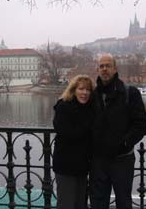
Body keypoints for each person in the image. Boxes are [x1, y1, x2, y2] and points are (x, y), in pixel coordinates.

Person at [90, 54, 146, 209]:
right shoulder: (93, 95)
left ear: (115, 69)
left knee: (123, 203)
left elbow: (142, 124)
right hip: (98, 160)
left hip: (122, 159)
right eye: (101, 66)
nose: (104, 69)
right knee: (98, 203)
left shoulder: (130, 93)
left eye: (108, 66)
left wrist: (124, 143)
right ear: (98, 69)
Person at [52, 74, 95, 209]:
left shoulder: (90, 108)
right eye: (81, 89)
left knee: (80, 204)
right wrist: (89, 127)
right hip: (66, 165)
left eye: (88, 90)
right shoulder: (63, 106)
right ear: (73, 90)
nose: (85, 93)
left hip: (82, 166)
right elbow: (68, 133)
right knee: (66, 204)